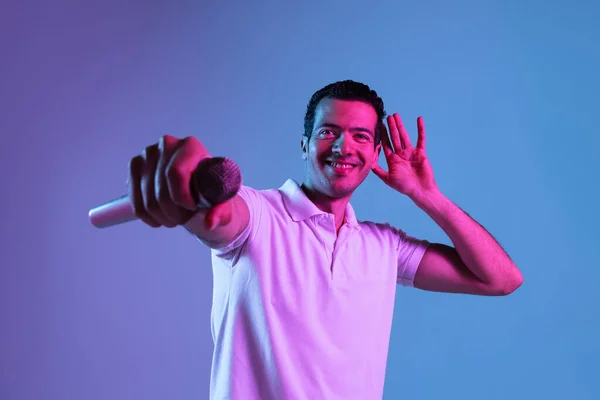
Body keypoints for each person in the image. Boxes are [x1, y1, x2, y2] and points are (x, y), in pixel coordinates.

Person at [127, 80, 523, 399]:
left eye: (360, 137)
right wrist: (190, 184)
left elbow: (501, 279)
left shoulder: (385, 246)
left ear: (375, 153)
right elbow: (218, 212)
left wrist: (427, 196)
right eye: (328, 131)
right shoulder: (259, 215)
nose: (343, 146)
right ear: (304, 145)